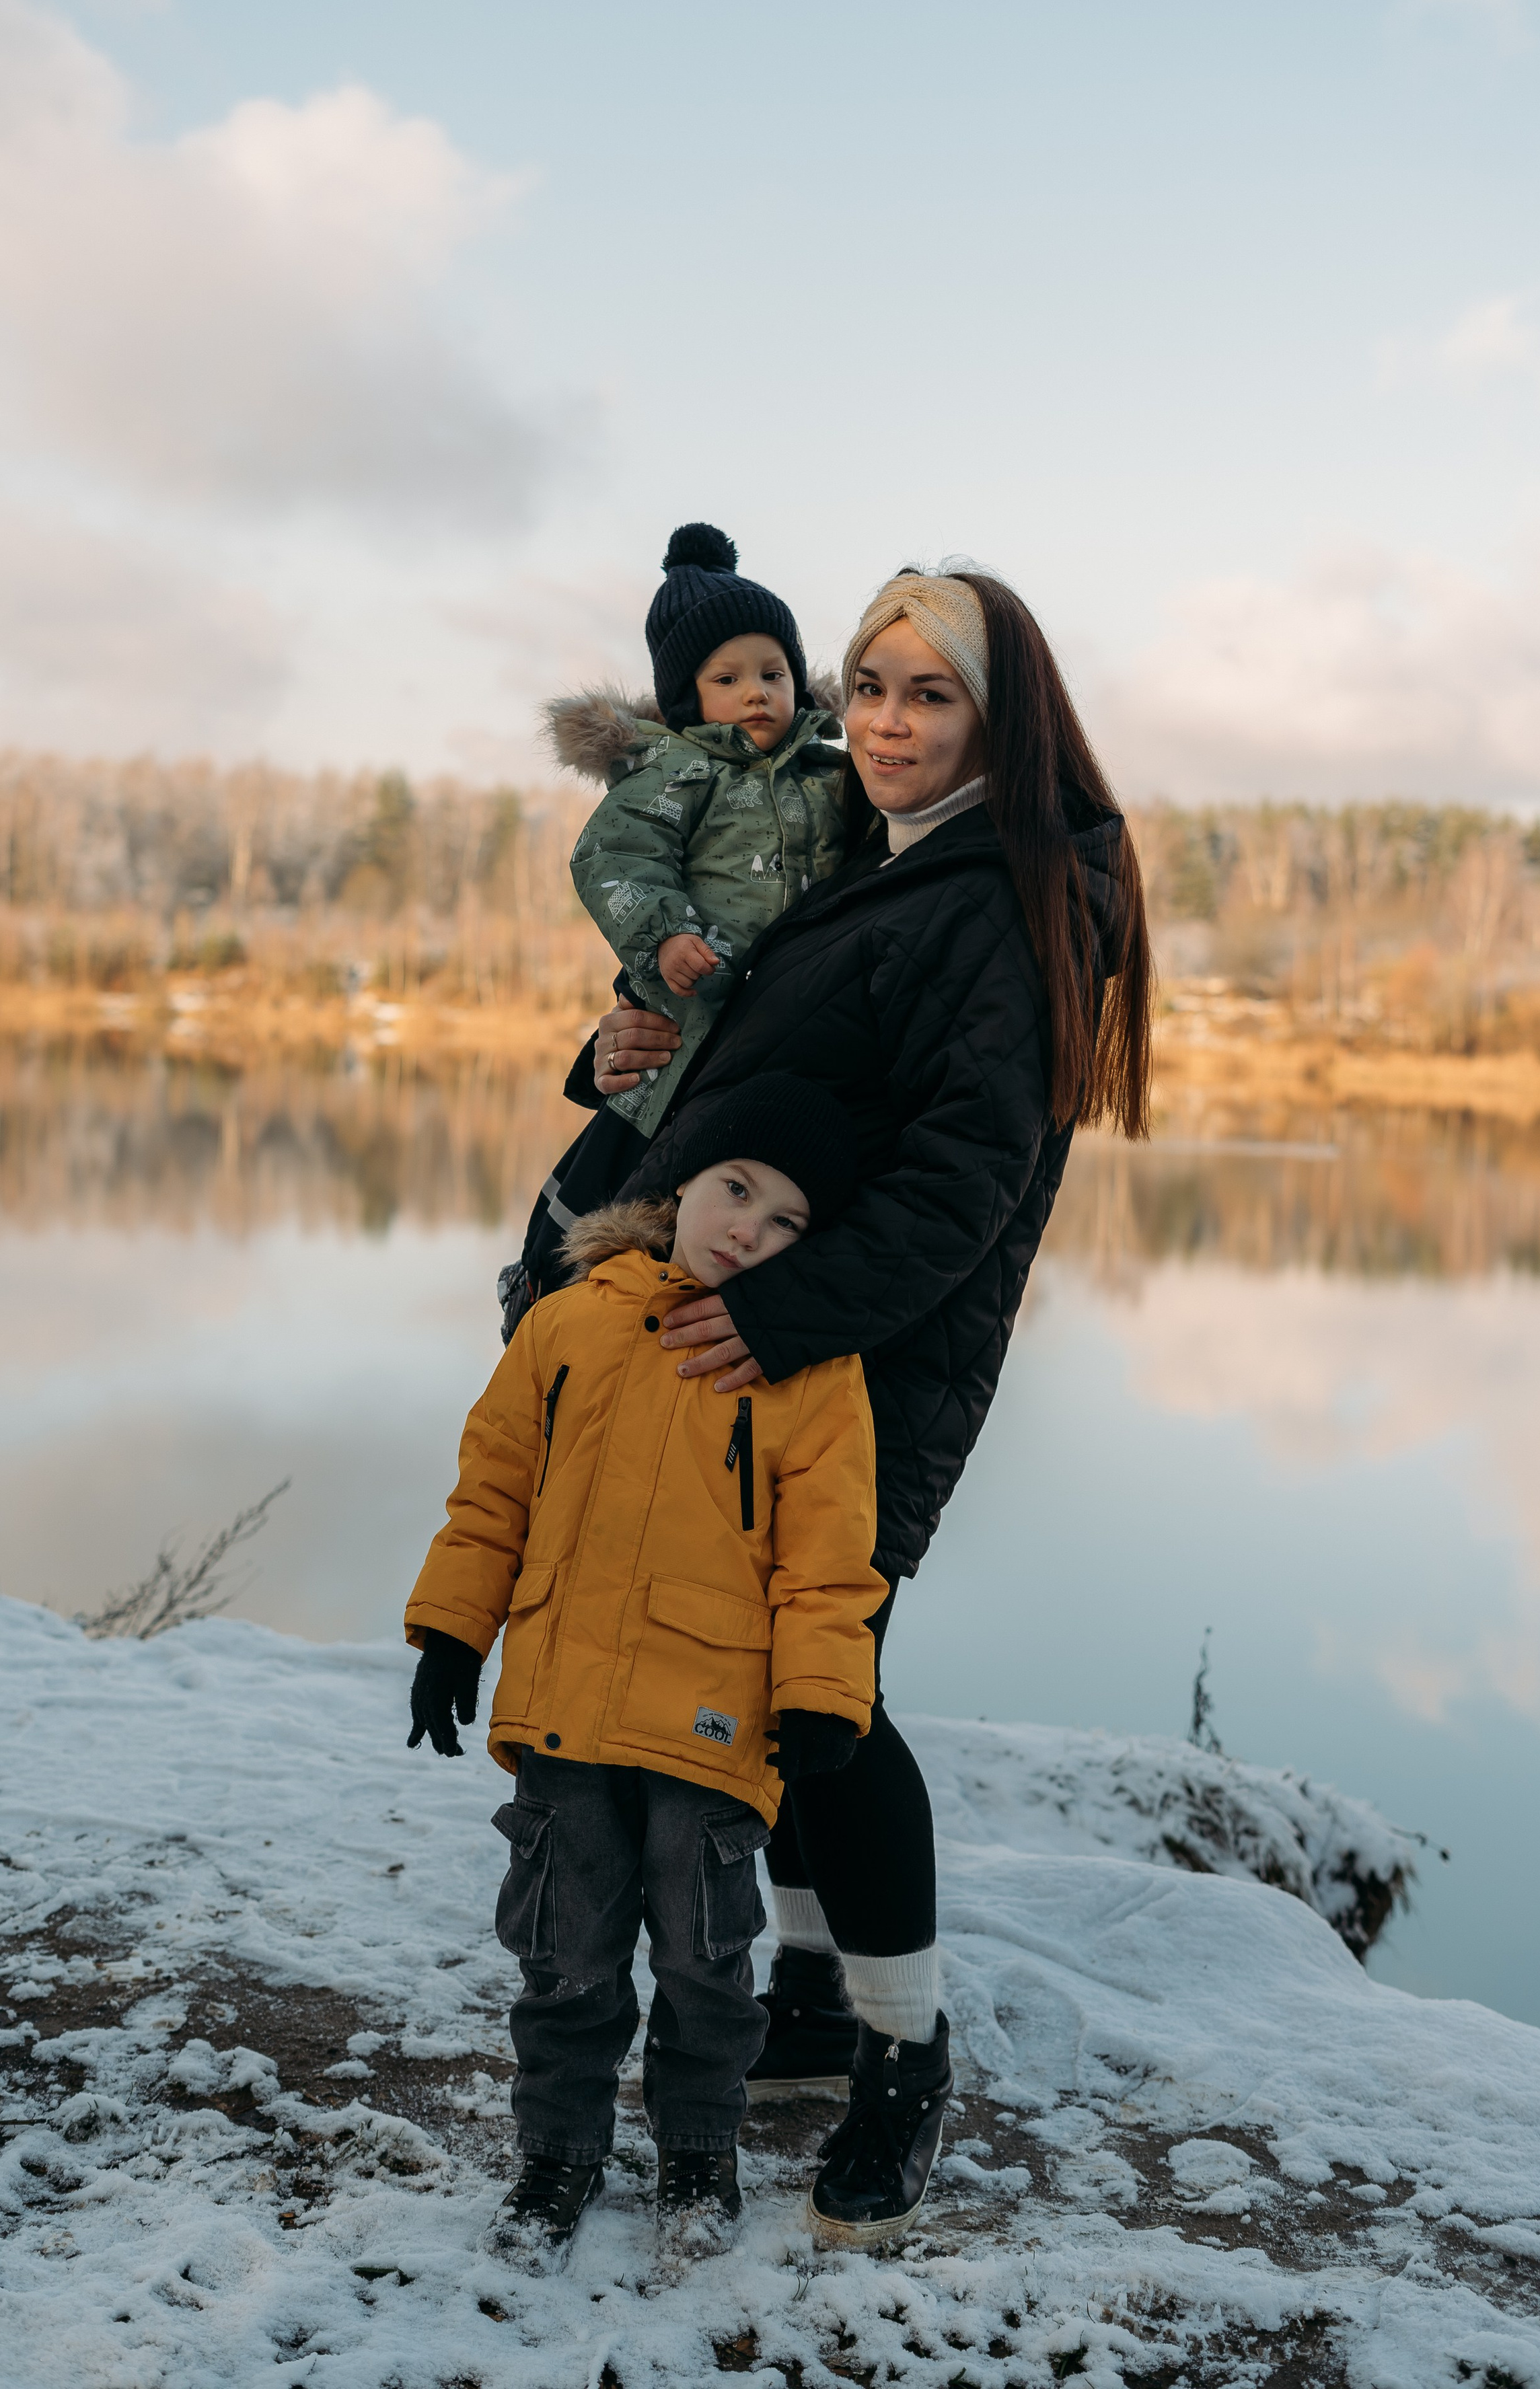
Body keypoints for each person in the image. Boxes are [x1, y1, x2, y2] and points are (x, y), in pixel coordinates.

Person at [566, 564, 1152, 2248]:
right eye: (870, 686)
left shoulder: (1005, 898)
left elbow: (959, 1180)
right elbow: (780, 1067)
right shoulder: (897, 860)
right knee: (780, 1676)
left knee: (822, 1699)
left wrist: (770, 1309)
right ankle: (817, 1999)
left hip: (861, 1359)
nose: (883, 722)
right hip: (790, 1342)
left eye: (927, 695)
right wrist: (613, 1059)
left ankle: (905, 2052)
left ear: (1000, 717)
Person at [403, 1074, 889, 2249]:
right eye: (736, 1192)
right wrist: (453, 1631)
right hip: (567, 1711)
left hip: (715, 1730)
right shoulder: (569, 1325)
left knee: (708, 1968)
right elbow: (493, 1495)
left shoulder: (811, 1373)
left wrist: (823, 1695)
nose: (750, 1232)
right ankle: (556, 2158)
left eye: (786, 1225)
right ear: (679, 1185)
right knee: (564, 1962)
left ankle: (696, 2160)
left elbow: (830, 1563)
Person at [498, 525, 846, 1337]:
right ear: (690, 699)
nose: (758, 691)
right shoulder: (677, 774)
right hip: (689, 999)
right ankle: (552, 1299)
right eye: (728, 678)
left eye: (774, 672)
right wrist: (661, 939)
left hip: (784, 1034)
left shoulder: (831, 776)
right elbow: (617, 856)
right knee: (638, 1142)